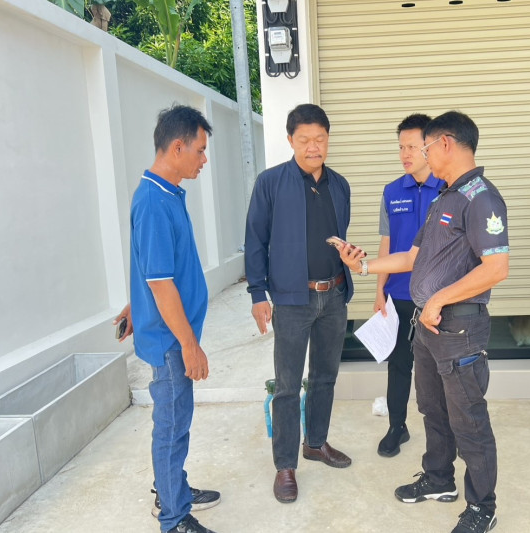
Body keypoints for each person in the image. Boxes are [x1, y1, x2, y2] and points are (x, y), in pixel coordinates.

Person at [340, 111, 508, 533]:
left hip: (459, 329)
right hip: (429, 327)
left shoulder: (481, 199)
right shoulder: (443, 198)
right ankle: (438, 479)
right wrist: (364, 267)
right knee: (432, 408)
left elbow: (496, 268)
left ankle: (482, 507)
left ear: (445, 143)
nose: (421, 155)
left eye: (425, 147)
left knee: (468, 419)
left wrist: (439, 299)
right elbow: (412, 258)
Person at [113, 105, 220, 533]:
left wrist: (134, 305)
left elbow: (154, 268)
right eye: (200, 150)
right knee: (172, 427)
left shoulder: (167, 193)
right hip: (171, 340)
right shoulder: (154, 201)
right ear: (177, 148)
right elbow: (160, 284)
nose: (204, 159)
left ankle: (172, 488)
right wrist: (190, 345)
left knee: (175, 421)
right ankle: (174, 517)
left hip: (169, 330)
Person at [244, 103, 354, 504]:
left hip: (334, 295)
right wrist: (258, 293)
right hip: (292, 300)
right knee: (288, 385)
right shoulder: (270, 183)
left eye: (320, 139)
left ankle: (316, 443)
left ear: (328, 140)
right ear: (290, 140)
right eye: (304, 139)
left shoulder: (340, 185)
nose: (313, 147)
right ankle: (285, 466)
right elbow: (255, 240)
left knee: (325, 376)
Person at [374, 113, 446, 458]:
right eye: (401, 147)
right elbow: (386, 244)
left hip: (438, 297)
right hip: (400, 295)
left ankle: (447, 432)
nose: (405, 153)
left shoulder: (447, 188)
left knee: (441, 369)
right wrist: (379, 291)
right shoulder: (392, 191)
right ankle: (396, 427)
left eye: (412, 147)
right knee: (399, 365)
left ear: (429, 147)